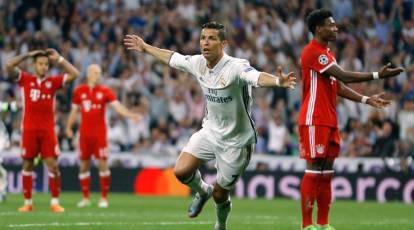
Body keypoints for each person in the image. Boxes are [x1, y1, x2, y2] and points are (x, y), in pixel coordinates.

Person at [124, 21, 296, 230]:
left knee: (220, 194)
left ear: (223, 43)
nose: (205, 42)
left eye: (211, 38)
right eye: (202, 38)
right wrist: (145, 47)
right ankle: (202, 191)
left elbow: (255, 76)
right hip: (211, 132)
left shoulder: (235, 66)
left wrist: (278, 82)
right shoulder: (198, 63)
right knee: (181, 171)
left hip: (237, 142)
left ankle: (221, 224)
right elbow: (173, 58)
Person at [298, 9, 404, 230]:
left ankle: (324, 223)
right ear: (319, 29)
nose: (336, 28)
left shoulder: (327, 55)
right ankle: (307, 225)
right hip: (314, 119)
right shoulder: (312, 52)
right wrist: (377, 75)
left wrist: (366, 99)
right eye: (331, 25)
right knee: (314, 168)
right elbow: (344, 75)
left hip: (330, 119)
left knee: (327, 172)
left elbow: (338, 86)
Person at [6, 49, 80, 212]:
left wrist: (59, 59)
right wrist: (27, 55)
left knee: (53, 166)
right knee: (27, 165)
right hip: (29, 130)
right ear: (34, 65)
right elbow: (9, 65)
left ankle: (55, 202)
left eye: (46, 64)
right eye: (40, 64)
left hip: (47, 131)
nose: (44, 67)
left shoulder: (52, 82)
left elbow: (75, 74)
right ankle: (27, 203)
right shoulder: (25, 79)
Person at [66, 64, 141, 208]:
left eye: (99, 73)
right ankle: (86, 198)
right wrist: (68, 127)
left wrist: (131, 115)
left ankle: (104, 198)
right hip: (84, 135)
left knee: (103, 165)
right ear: (88, 74)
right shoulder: (79, 91)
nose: (97, 75)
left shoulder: (105, 91)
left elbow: (117, 106)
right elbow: (74, 111)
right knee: (83, 166)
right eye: (95, 72)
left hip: (99, 135)